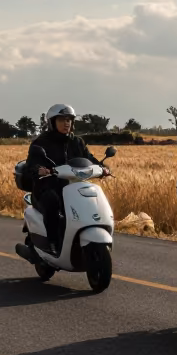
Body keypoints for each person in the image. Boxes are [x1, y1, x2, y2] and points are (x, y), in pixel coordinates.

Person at [26, 104, 106, 253]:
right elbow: (31, 164)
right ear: (52, 122)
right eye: (62, 119)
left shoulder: (77, 142)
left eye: (69, 119)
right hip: (48, 186)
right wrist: (39, 169)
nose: (66, 123)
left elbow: (88, 158)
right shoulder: (41, 143)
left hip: (73, 185)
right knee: (52, 202)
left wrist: (103, 167)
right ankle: (53, 242)